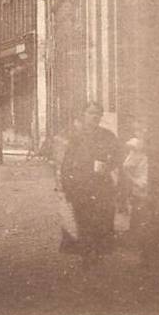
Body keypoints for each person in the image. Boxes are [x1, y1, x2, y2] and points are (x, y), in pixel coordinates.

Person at [60, 102, 122, 264]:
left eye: (97, 114)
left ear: (101, 117)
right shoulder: (76, 137)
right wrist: (67, 187)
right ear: (84, 115)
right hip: (81, 186)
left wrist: (108, 166)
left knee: (101, 221)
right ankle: (87, 256)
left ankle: (98, 255)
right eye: (90, 113)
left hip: (102, 186)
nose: (94, 117)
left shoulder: (108, 136)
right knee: (83, 221)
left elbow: (118, 158)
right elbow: (66, 164)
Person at [121, 137, 148, 242]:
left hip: (142, 189)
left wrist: (131, 178)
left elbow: (143, 182)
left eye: (134, 150)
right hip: (136, 188)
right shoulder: (133, 155)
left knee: (140, 210)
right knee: (135, 209)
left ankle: (138, 235)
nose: (131, 152)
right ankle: (133, 232)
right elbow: (126, 165)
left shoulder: (144, 160)